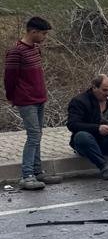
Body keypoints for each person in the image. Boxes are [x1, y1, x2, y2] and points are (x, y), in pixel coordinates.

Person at [5, 15, 59, 191]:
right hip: (26, 100)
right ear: (33, 31)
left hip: (39, 98)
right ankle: (27, 175)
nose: (45, 37)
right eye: (43, 33)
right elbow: (9, 78)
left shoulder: (35, 49)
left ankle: (37, 171)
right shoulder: (16, 52)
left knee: (38, 135)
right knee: (33, 136)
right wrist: (12, 96)